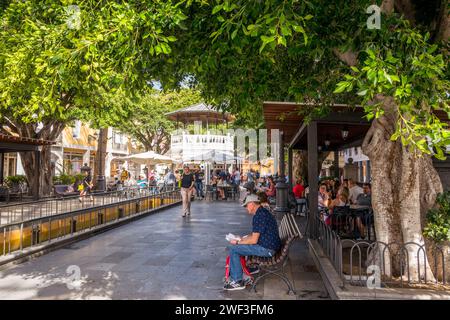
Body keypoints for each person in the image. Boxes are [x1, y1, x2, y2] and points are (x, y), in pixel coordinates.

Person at [224, 194, 281, 290]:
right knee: (241, 245)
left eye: (246, 206)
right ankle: (248, 270)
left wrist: (237, 243)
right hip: (269, 245)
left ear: (251, 204)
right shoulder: (262, 212)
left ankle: (238, 281)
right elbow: (255, 235)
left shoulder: (259, 216)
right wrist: (241, 239)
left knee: (234, 249)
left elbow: (254, 240)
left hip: (267, 249)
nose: (246, 208)